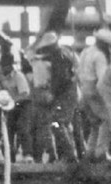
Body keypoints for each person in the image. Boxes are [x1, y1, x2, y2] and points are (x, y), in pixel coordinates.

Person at [28, 31, 81, 162]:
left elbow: (61, 79)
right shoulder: (62, 55)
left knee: (58, 122)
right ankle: (68, 154)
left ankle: (69, 155)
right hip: (68, 91)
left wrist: (53, 93)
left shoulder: (59, 57)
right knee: (63, 123)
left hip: (66, 92)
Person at [78, 27, 111, 161]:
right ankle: (101, 152)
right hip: (95, 89)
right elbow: (102, 78)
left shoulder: (85, 52)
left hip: (84, 89)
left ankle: (89, 152)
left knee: (95, 123)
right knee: (107, 119)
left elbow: (78, 71)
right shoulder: (100, 56)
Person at [0, 52, 33, 162]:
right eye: (2, 66)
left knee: (22, 127)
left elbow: (24, 94)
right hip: (10, 104)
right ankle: (9, 157)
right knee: (8, 129)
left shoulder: (19, 76)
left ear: (10, 66)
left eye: (5, 66)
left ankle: (28, 154)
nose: (3, 69)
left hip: (24, 103)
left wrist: (12, 101)